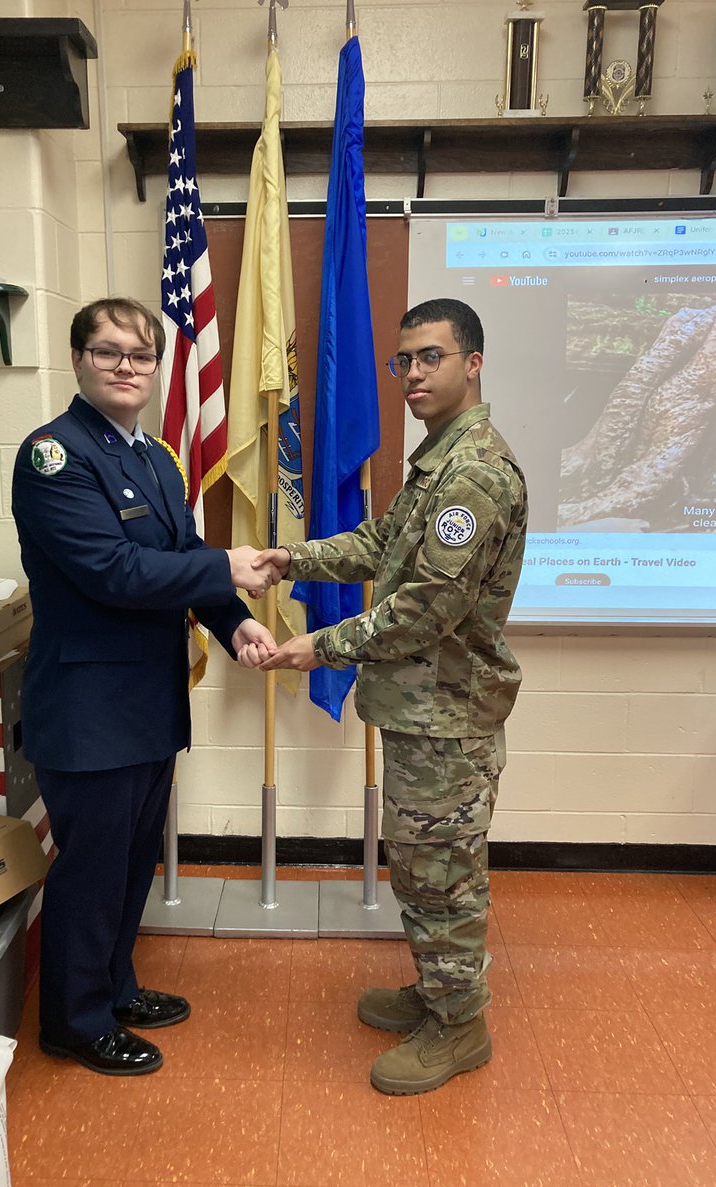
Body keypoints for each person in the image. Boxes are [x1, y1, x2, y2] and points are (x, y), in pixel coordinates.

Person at [256, 298, 528, 1094]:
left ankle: (460, 1026)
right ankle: (437, 991)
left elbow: (422, 613)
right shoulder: (438, 461)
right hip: (422, 712)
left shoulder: (474, 474)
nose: (412, 374)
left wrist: (319, 647)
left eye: (431, 358)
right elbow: (383, 544)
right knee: (417, 866)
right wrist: (291, 559)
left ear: (473, 363)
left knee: (442, 872)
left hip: (447, 719)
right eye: (403, 360)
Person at [11, 297, 275, 1076]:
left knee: (131, 865)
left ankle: (113, 986)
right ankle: (73, 1021)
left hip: (148, 703)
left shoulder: (154, 457)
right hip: (90, 710)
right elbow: (115, 571)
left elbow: (180, 554)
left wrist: (234, 623)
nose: (127, 367)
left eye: (141, 355)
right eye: (109, 352)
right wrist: (226, 566)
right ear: (79, 361)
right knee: (91, 872)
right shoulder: (53, 456)